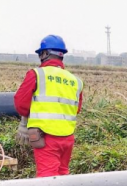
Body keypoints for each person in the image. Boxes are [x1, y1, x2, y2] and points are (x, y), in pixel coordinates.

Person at [14, 35, 84, 178]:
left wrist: (25, 121)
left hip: (45, 137)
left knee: (47, 180)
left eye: (41, 53)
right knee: (62, 173)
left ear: (45, 54)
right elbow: (76, 109)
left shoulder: (37, 74)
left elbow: (21, 103)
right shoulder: (76, 81)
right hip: (68, 138)